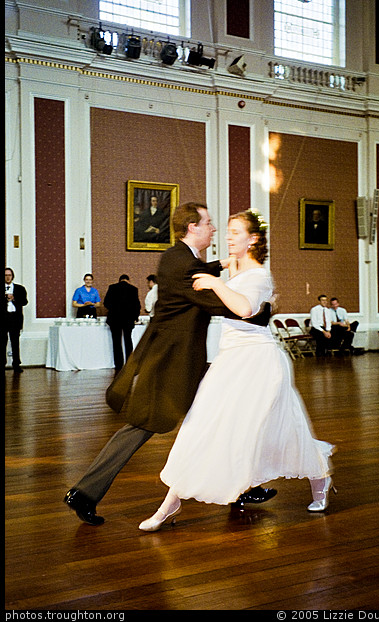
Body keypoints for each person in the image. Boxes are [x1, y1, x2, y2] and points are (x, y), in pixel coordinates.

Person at [64, 202, 274, 525]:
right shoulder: (185, 265)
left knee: (220, 417)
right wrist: (262, 311)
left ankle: (244, 487)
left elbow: (198, 273)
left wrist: (222, 263)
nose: (213, 229)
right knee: (144, 427)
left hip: (173, 359)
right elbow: (217, 303)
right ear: (193, 228)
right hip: (173, 365)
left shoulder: (179, 257)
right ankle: (84, 491)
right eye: (209, 223)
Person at [138, 210, 336, 532]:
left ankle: (321, 482)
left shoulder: (259, 275)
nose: (227, 237)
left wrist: (217, 282)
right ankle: (169, 505)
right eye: (226, 232)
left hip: (259, 363)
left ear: (253, 239)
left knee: (283, 430)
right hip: (229, 361)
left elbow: (245, 309)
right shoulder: (238, 273)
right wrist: (222, 273)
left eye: (234, 232)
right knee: (202, 427)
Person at [104, 275, 141, 373]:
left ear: (119, 280)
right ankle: (129, 363)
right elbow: (137, 305)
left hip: (115, 319)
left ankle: (118, 364)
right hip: (128, 319)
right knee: (128, 340)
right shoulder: (133, 289)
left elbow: (106, 303)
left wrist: (114, 310)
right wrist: (135, 317)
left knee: (116, 342)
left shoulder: (112, 288)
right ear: (128, 280)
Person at [3, 268, 28, 373]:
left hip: (15, 319)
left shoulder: (20, 288)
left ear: (12, 276)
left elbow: (25, 302)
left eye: (9, 275)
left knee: (15, 342)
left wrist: (14, 298)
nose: (8, 277)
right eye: (5, 275)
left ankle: (16, 364)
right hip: (3, 319)